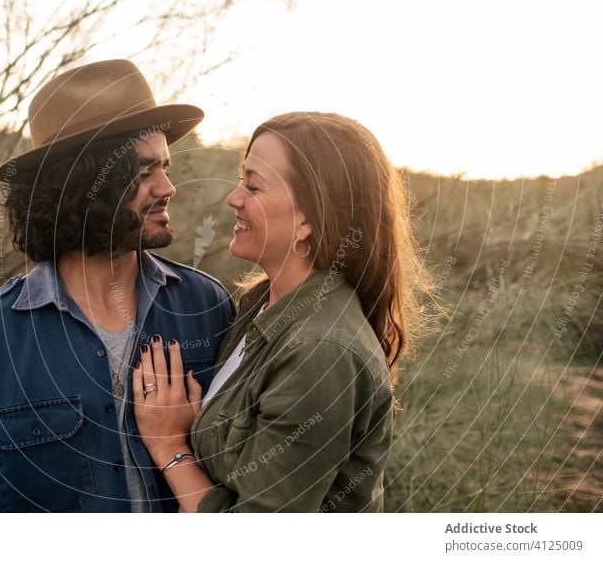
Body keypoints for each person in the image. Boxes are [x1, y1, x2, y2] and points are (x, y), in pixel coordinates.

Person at [0, 60, 234, 512]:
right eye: (144, 172)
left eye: (165, 166)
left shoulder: (208, 307)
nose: (168, 187)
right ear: (82, 186)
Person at [133, 111, 432, 512]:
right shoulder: (259, 306)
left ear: (307, 218)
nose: (233, 197)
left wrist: (169, 445)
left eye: (253, 186)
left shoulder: (321, 352)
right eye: (241, 179)